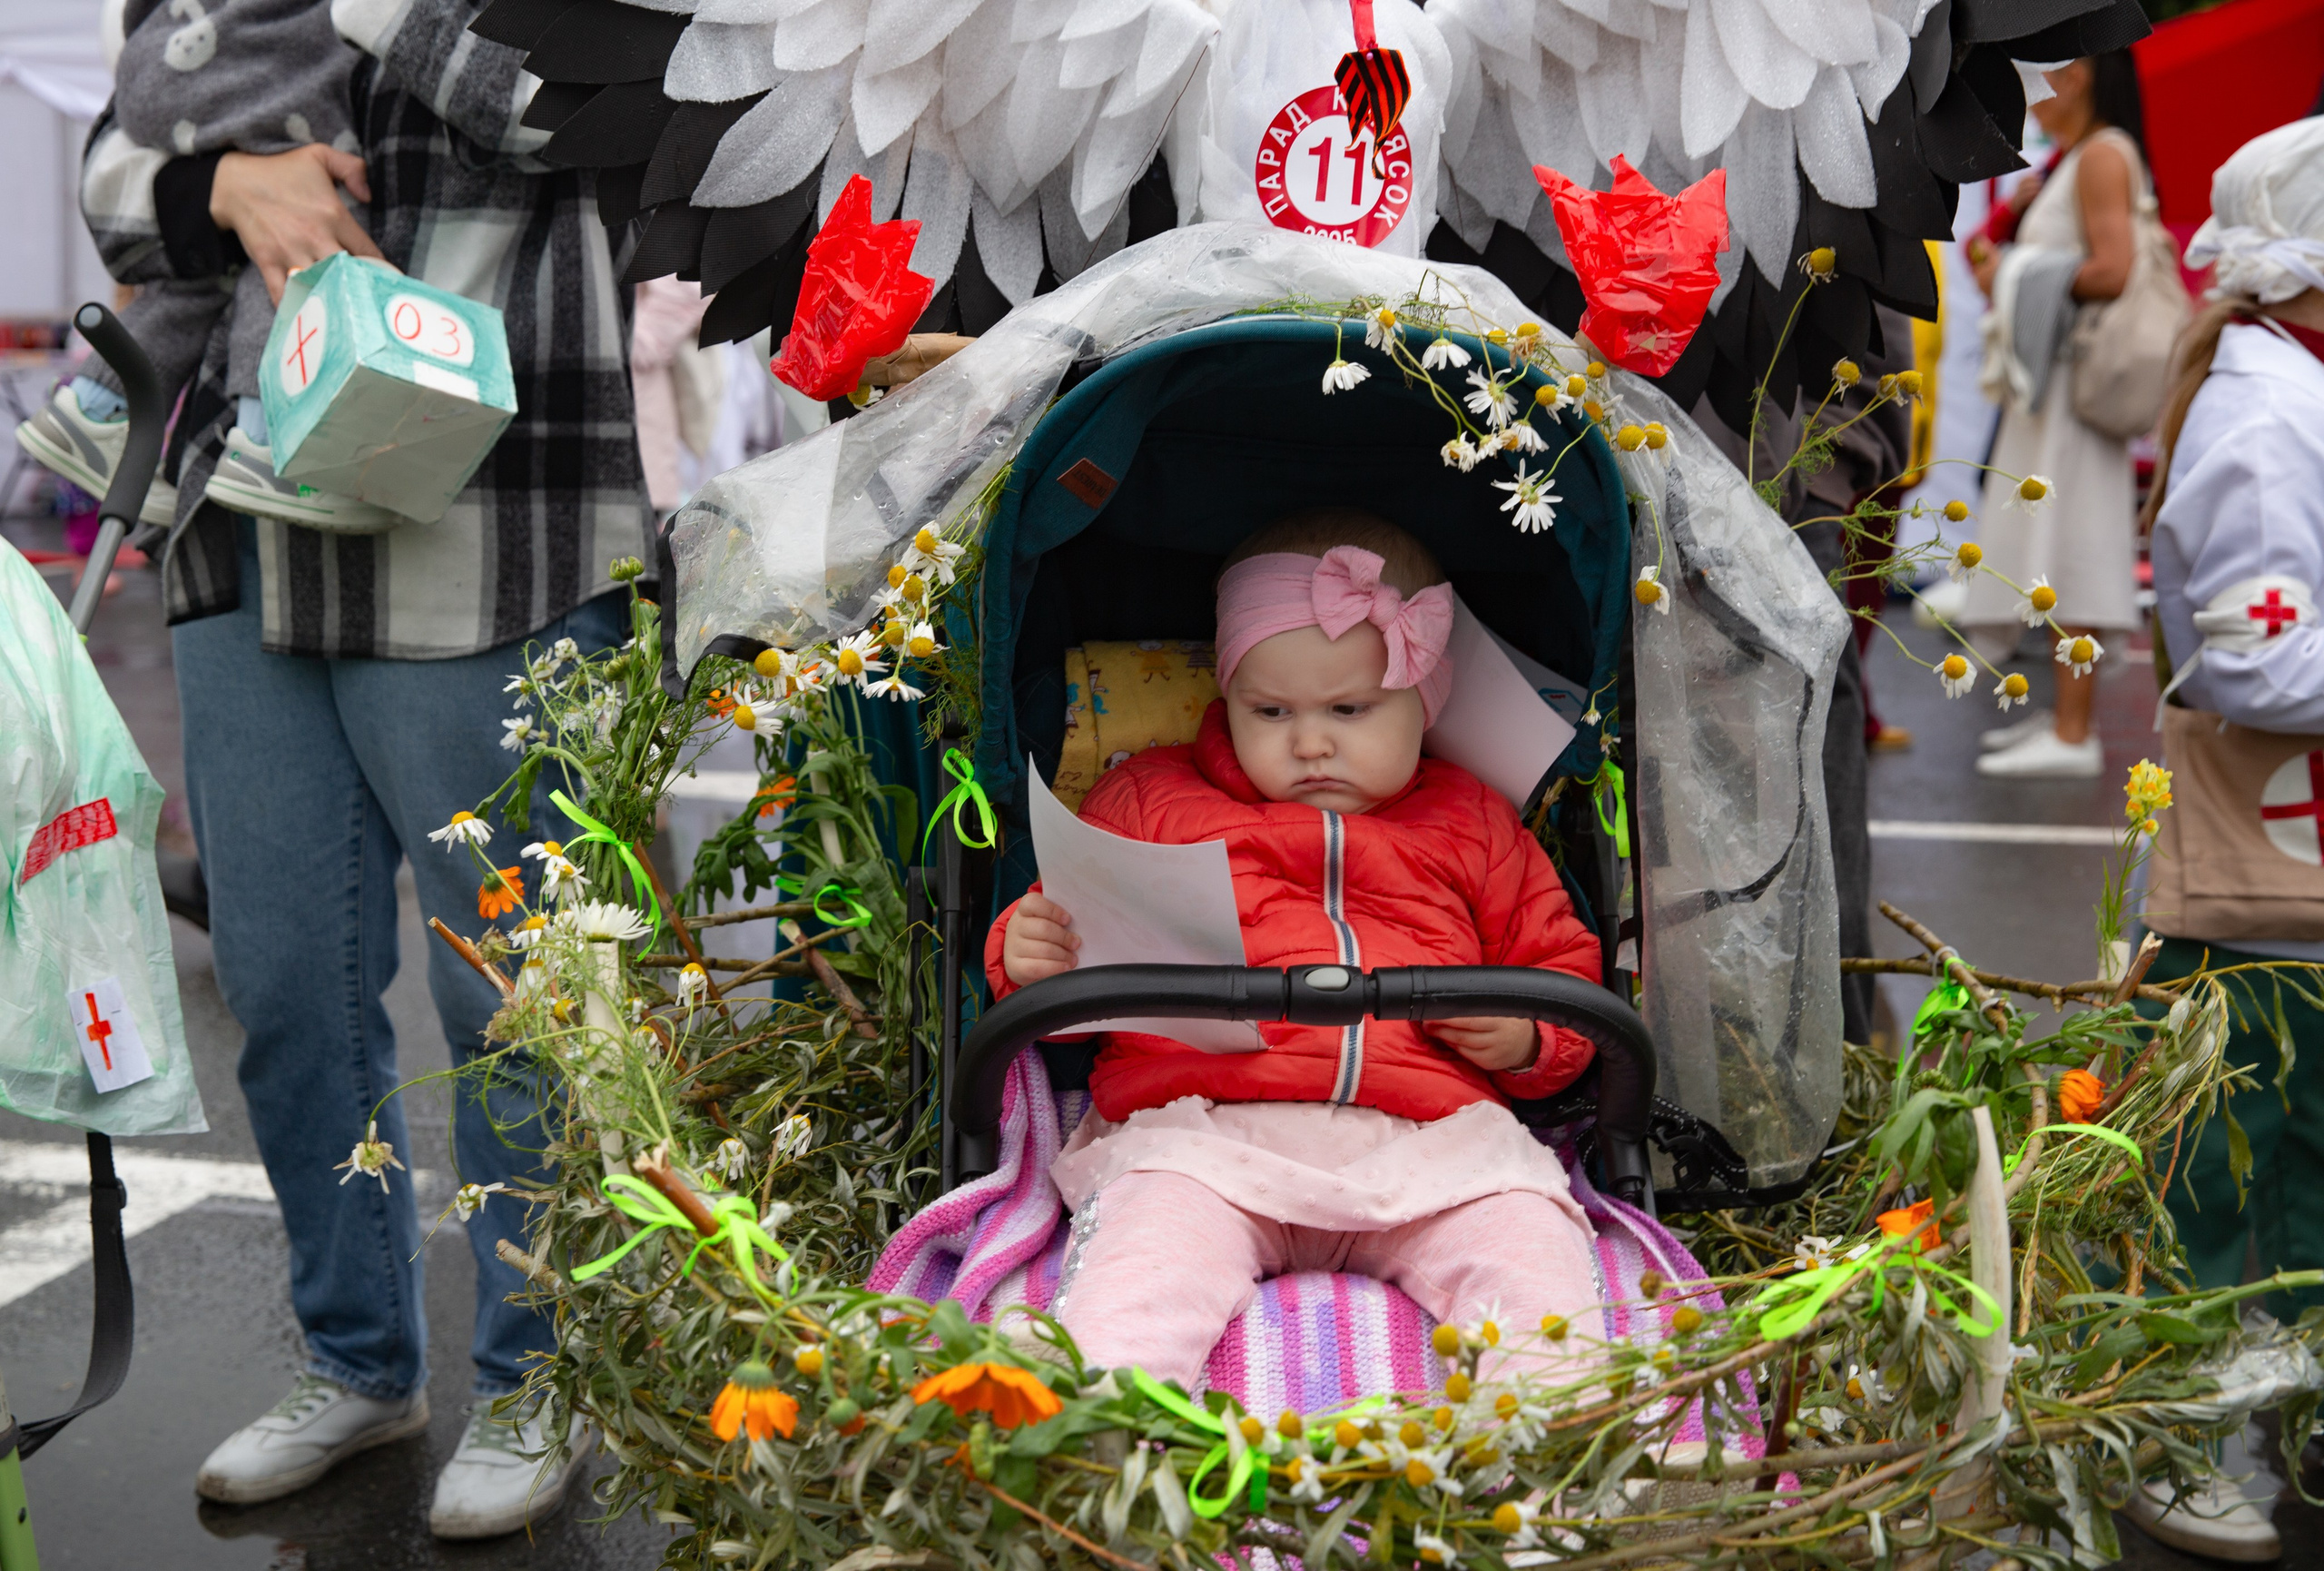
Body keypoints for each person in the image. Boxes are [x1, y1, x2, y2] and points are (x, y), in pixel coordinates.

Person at [75, 0, 647, 1540]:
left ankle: (546, 1371)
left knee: (513, 986)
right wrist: (221, 188)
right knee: (279, 979)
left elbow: (591, 111)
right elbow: (108, 159)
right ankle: (356, 1360)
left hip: (492, 521)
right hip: (243, 524)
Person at [986, 511, 1606, 1388]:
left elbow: (1563, 968)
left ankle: (1569, 1453)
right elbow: (1065, 961)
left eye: (1351, 709)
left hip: (1432, 1145)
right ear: (1226, 696)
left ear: (1426, 700)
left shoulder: (1474, 821)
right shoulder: (1151, 799)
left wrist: (1530, 1037)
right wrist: (1028, 957)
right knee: (1137, 1289)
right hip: (1203, 1139)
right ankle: (1096, 1451)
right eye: (1270, 710)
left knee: (1532, 1261)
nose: (1310, 741)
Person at [2137, 115, 2324, 1563]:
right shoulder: (2266, 416)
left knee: (2296, 1159)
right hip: (2265, 889)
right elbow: (2260, 666)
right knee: (2220, 1168)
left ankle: (2292, 1415)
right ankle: (2168, 1432)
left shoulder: (2288, 387)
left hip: (2295, 886)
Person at [25, 0, 390, 530]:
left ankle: (92, 408)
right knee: (301, 253)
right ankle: (268, 447)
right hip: (267, 77)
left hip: (168, 68)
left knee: (212, 272)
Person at [1961, 54, 2148, 779]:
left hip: (2073, 392)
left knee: (2075, 547)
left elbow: (2115, 267)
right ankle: (2066, 721)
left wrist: (2008, 275)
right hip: (2056, 388)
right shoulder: (2084, 156)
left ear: (2075, 77)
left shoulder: (2101, 156)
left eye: (2040, 74)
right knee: (2054, 545)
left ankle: (2075, 733)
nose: (2028, 92)